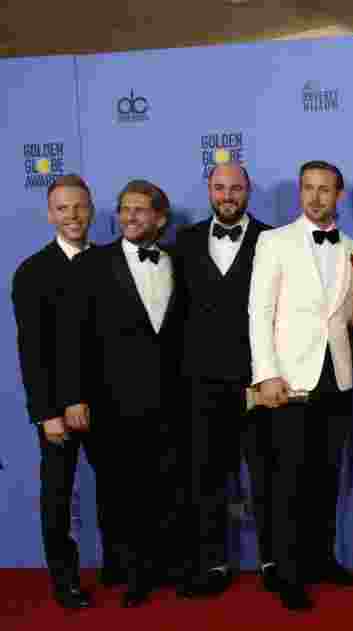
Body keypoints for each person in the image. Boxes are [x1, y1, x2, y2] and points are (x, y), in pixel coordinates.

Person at [58, 179, 185, 608]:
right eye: (124, 209)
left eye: (140, 209)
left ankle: (164, 567)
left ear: (160, 219)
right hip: (112, 400)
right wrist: (73, 397)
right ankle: (131, 574)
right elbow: (71, 337)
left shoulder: (175, 262)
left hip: (169, 398)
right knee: (121, 491)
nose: (130, 216)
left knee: (164, 485)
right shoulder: (91, 265)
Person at [248, 160, 353, 610]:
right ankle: (288, 572)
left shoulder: (352, 247)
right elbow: (259, 311)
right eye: (308, 188)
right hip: (289, 379)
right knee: (288, 479)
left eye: (324, 189)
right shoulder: (274, 241)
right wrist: (266, 374)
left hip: (338, 377)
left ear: (339, 195)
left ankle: (321, 559)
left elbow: (347, 314)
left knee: (326, 476)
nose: (315, 197)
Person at [175, 163, 272, 598]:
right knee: (206, 476)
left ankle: (274, 562)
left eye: (235, 188)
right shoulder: (185, 241)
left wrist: (268, 374)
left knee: (267, 474)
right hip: (200, 382)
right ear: (209, 191)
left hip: (256, 380)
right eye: (219, 187)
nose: (227, 195)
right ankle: (213, 563)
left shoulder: (271, 240)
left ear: (248, 191)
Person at [12, 175, 105, 609]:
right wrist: (48, 412)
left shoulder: (109, 263)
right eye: (63, 208)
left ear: (91, 210)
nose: (72, 215)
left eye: (79, 206)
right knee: (57, 498)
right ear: (50, 215)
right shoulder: (32, 272)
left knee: (121, 489)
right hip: (55, 410)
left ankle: (123, 567)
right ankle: (65, 581)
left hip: (109, 403)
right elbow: (32, 351)